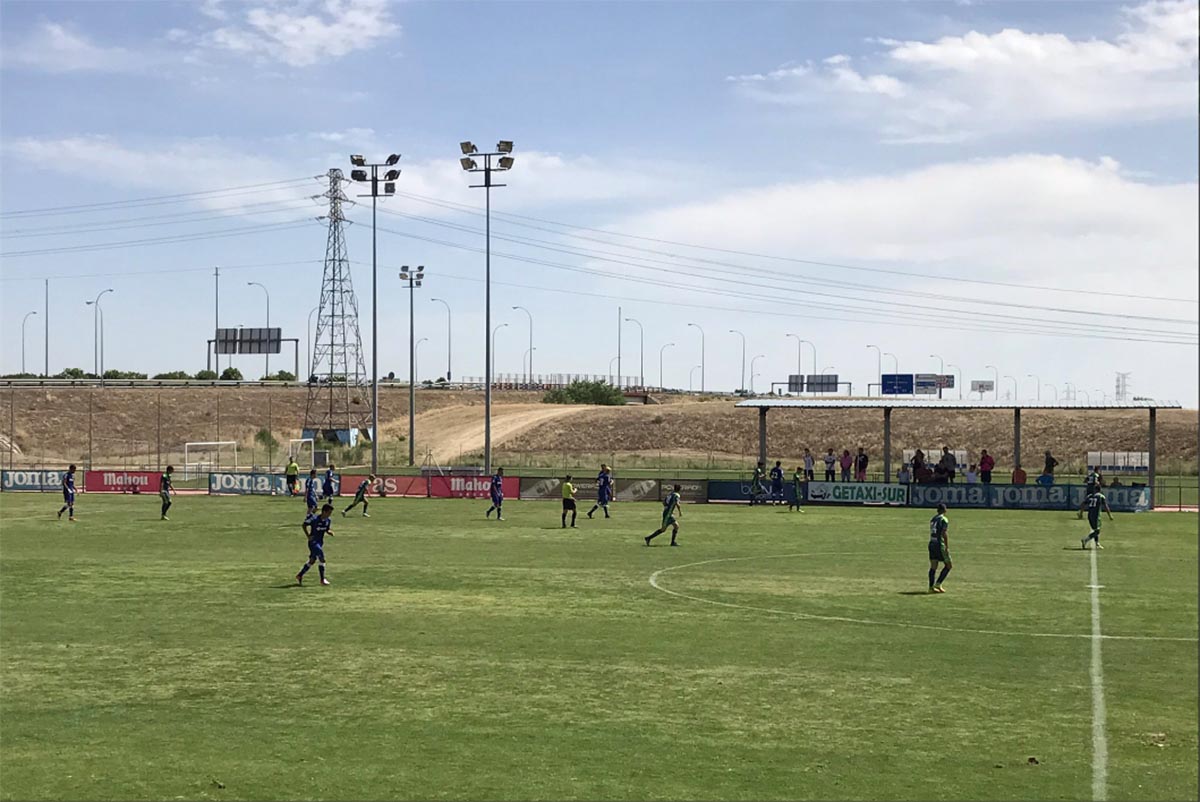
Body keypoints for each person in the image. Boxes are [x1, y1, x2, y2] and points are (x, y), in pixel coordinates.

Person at [297, 503, 334, 586]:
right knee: (322, 559)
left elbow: (326, 529)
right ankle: (322, 579)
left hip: (320, 543)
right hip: (313, 543)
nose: (330, 515)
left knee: (312, 560)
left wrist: (329, 532)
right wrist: (308, 536)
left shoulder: (328, 520)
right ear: (324, 512)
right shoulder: (314, 519)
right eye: (329, 513)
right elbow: (304, 525)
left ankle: (300, 575)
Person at [927, 502, 952, 593]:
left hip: (932, 543)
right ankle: (938, 583)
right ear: (945, 510)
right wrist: (946, 546)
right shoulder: (944, 519)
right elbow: (944, 533)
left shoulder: (933, 519)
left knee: (933, 566)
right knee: (949, 565)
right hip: (939, 544)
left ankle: (931, 587)